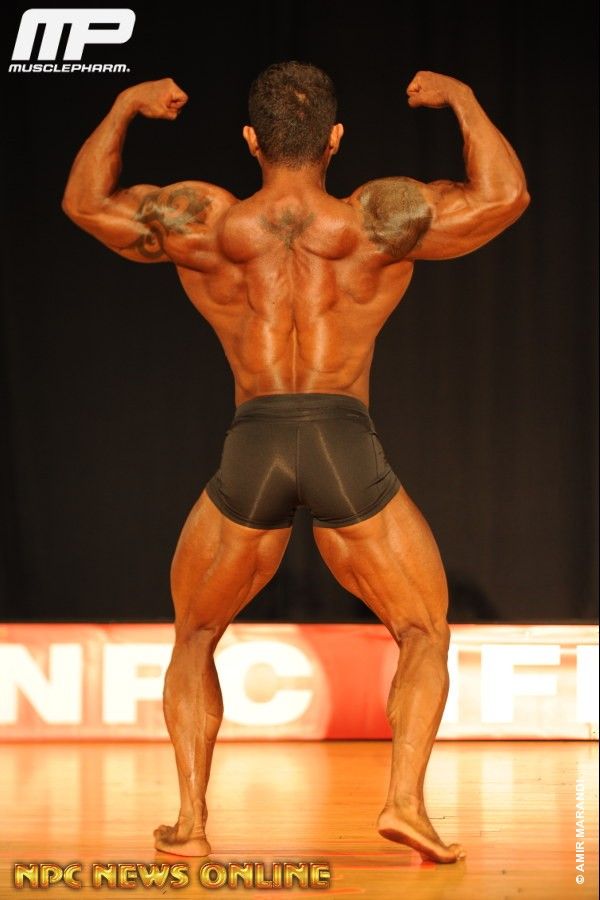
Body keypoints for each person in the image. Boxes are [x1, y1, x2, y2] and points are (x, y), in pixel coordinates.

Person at [62, 62, 529, 864]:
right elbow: (504, 197)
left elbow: (84, 204)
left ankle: (190, 821)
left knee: (196, 633)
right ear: (335, 140)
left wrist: (123, 106)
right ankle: (405, 803)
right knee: (422, 630)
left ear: (251, 140)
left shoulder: (208, 224)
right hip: (344, 441)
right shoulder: (375, 221)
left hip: (254, 444)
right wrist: (464, 99)